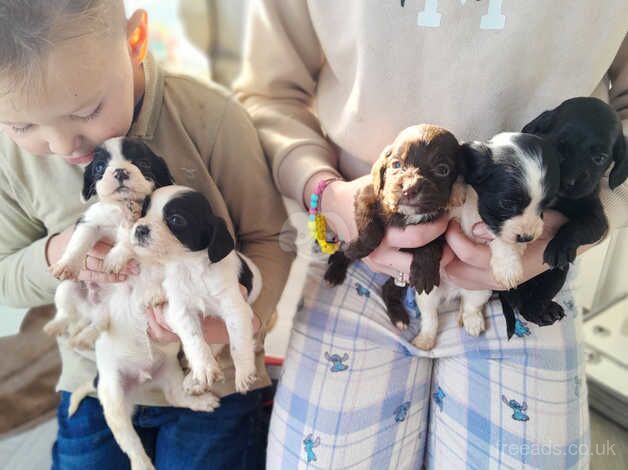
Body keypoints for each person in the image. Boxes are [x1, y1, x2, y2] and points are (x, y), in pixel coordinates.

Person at [234, 1, 628, 468]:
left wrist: (576, 229)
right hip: (363, 240)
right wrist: (325, 195)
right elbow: (269, 95)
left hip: (534, 258)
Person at [0, 1, 293, 468]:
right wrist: (55, 252)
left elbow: (270, 237)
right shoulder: (11, 162)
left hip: (212, 380)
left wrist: (243, 320)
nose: (61, 146)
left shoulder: (210, 119)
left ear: (135, 40)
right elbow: (5, 272)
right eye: (22, 126)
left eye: (87, 109)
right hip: (97, 379)